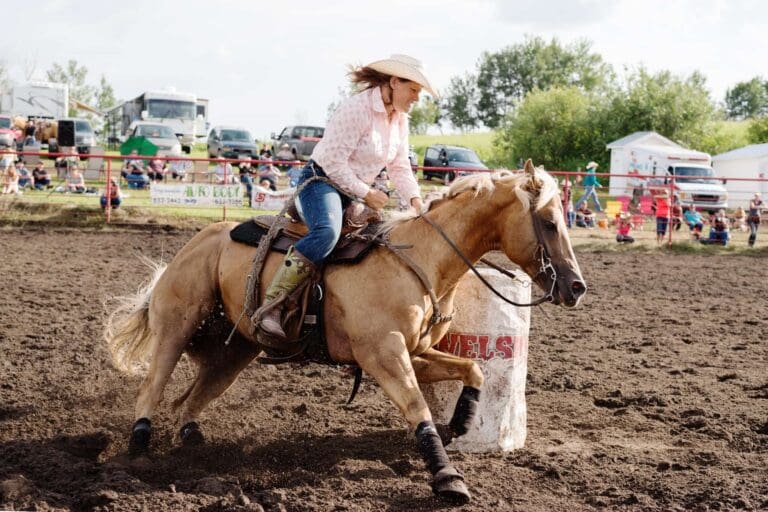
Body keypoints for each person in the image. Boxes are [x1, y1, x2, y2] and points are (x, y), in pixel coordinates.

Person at [256, 53, 431, 341]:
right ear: (395, 81)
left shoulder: (400, 120)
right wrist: (368, 193)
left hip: (354, 190)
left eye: (419, 92)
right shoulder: (357, 109)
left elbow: (399, 165)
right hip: (320, 181)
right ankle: (273, 305)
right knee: (327, 232)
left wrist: (415, 202)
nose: (416, 98)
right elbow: (334, 164)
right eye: (413, 90)